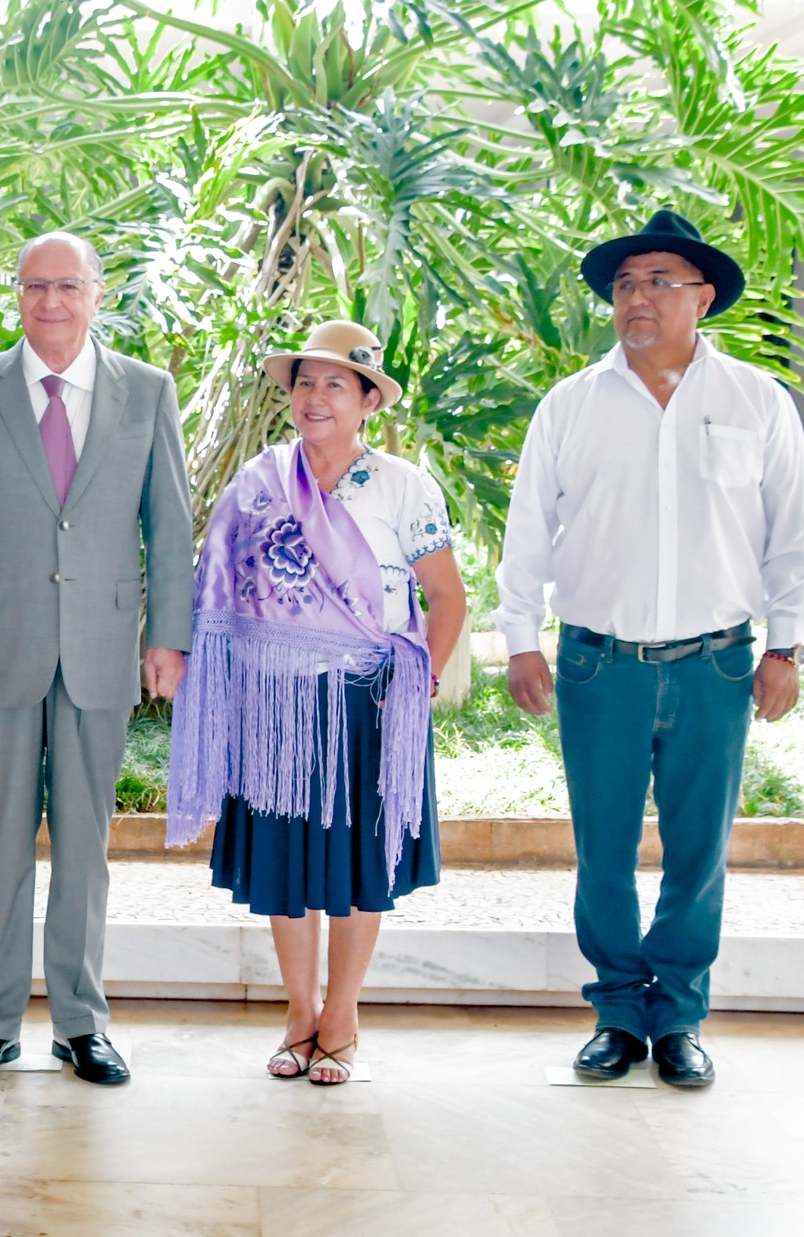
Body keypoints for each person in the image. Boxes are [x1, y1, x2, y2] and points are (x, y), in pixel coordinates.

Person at [496, 209, 804, 1089]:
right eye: (626, 284)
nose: (637, 298)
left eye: (659, 282)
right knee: (602, 848)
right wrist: (520, 640)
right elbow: (529, 532)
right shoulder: (571, 404)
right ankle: (615, 1012)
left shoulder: (757, 401)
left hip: (716, 662)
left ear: (703, 297)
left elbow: (793, 534)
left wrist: (787, 646)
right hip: (598, 663)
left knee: (697, 848)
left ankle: (677, 1016)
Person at [0, 231, 194, 1087]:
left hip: (103, 647)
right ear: (18, 295)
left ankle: (81, 1023)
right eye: (35, 286)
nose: (50, 302)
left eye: (67, 286)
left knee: (85, 844)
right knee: (1, 838)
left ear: (97, 294)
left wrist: (168, 636)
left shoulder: (147, 392)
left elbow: (171, 525)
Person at [167, 321, 467, 1085]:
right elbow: (222, 593)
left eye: (336, 383)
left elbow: (446, 598)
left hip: (370, 708)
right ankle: (299, 1014)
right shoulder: (260, 484)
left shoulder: (404, 486)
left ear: (369, 400)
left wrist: (416, 688)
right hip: (276, 707)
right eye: (305, 382)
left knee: (357, 865)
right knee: (288, 864)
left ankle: (344, 1016)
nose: (315, 397)